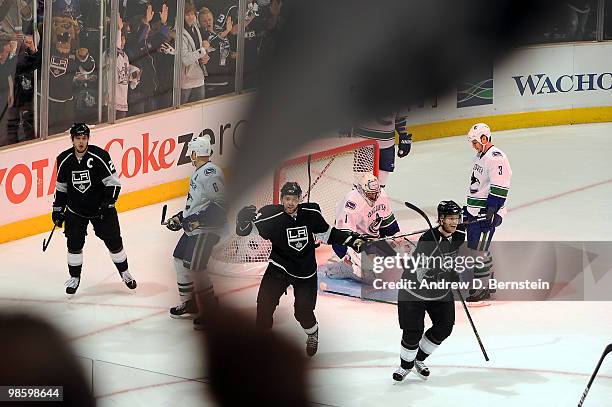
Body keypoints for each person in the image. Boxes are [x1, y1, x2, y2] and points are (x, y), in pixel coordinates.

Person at [236, 181, 369, 356]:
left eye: (295, 199)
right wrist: (242, 220)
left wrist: (351, 239)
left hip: (305, 271)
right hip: (279, 268)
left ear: (300, 199)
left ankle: (312, 333)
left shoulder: (311, 213)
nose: (290, 203)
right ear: (282, 198)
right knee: (264, 305)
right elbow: (245, 231)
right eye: (287, 198)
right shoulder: (270, 215)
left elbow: (328, 234)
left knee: (303, 312)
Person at [52, 123, 136, 294]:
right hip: (76, 211)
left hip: (101, 210)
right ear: (72, 140)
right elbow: (61, 188)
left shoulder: (100, 156)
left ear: (88, 139)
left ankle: (125, 272)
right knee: (74, 244)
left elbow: (113, 183)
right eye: (78, 138)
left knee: (114, 242)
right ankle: (74, 278)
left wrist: (108, 203)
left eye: (84, 138)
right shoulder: (63, 159)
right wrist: (58, 210)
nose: (81, 142)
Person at [393, 200, 465, 382]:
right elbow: (419, 272)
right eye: (450, 218)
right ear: (441, 219)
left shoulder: (460, 234)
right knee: (413, 331)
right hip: (414, 290)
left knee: (445, 327)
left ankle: (419, 359)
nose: (454, 222)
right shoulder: (427, 240)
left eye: (457, 218)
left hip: (439, 290)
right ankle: (405, 366)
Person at [165, 134, 226, 330]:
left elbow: (221, 204)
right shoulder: (201, 172)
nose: (189, 155)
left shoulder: (210, 173)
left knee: (197, 268)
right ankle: (189, 302)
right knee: (178, 259)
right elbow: (197, 204)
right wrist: (180, 217)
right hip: (195, 227)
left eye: (191, 151)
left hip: (205, 229)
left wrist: (198, 220)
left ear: (196, 153)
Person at [463, 123, 512, 304]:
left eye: (475, 142)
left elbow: (500, 186)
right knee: (477, 247)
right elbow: (477, 186)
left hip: (486, 213)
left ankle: (482, 288)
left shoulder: (496, 157)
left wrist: (491, 211)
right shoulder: (480, 156)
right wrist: (468, 209)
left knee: (479, 250)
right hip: (475, 211)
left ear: (484, 138)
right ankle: (489, 281)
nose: (474, 145)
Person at [323, 173, 401, 283]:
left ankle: (362, 264)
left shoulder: (382, 195)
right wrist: (351, 254)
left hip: (373, 240)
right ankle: (344, 267)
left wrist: (395, 239)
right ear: (361, 191)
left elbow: (389, 226)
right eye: (370, 194)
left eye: (376, 192)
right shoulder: (352, 203)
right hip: (353, 242)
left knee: (399, 263)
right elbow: (342, 237)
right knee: (372, 279)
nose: (374, 197)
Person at [352, 112, 412, 187]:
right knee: (361, 183)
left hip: (387, 146)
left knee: (380, 186)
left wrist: (404, 135)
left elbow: (399, 116)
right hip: (365, 144)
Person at [181, 2, 208, 104]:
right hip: (186, 80)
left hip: (199, 77)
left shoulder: (195, 28)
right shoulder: (179, 32)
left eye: (192, 14)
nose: (190, 17)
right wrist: (203, 51)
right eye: (187, 15)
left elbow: (200, 49)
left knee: (199, 111)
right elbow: (186, 59)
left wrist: (205, 56)